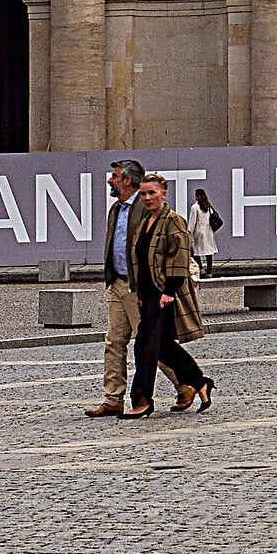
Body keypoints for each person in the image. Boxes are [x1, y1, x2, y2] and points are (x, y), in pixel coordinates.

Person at [86, 159, 178, 417]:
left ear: (127, 180)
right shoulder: (117, 209)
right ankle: (113, 398)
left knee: (151, 343)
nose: (109, 180)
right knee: (114, 341)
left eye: (114, 176)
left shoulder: (145, 207)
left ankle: (185, 384)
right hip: (117, 282)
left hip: (138, 287)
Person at [124, 173, 213, 417]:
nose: (147, 198)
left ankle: (142, 400)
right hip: (149, 293)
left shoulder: (173, 220)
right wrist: (140, 292)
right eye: (143, 193)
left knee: (144, 346)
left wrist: (169, 292)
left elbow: (180, 256)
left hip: (164, 293)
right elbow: (141, 260)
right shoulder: (146, 222)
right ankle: (200, 381)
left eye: (152, 193)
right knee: (162, 346)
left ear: (164, 193)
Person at [190, 187, 221, 277]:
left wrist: (189, 232)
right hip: (208, 231)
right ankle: (209, 272)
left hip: (198, 232)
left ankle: (201, 268)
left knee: (195, 251)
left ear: (197, 196)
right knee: (208, 252)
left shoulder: (195, 207)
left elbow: (192, 222)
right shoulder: (208, 206)